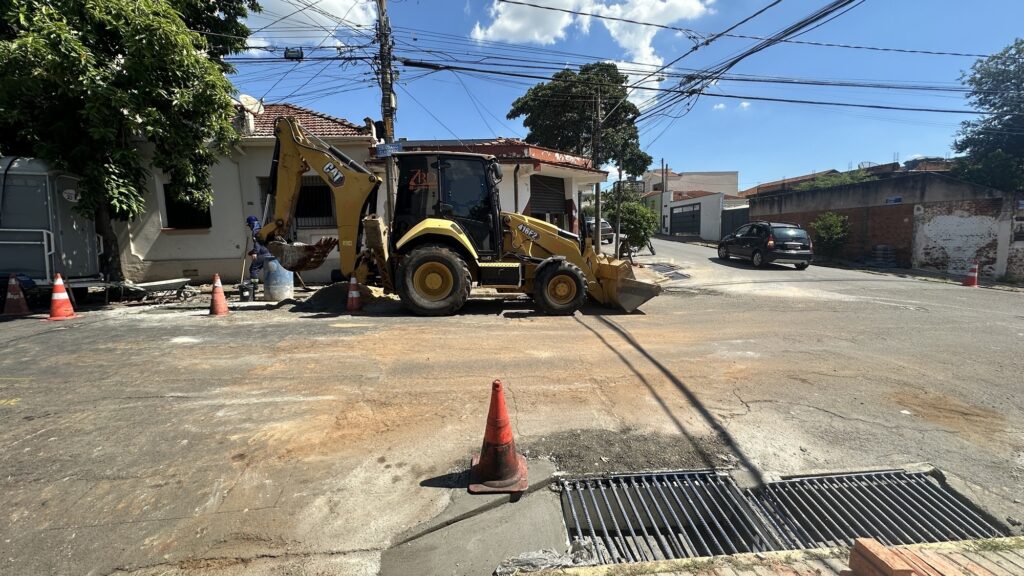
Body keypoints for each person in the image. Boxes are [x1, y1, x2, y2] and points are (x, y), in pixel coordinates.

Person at [245, 216, 272, 283]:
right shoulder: (262, 230)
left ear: (252, 224)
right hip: (268, 253)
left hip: (262, 254)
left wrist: (255, 252)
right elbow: (262, 243)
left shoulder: (255, 231)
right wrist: (252, 251)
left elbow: (257, 243)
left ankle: (254, 286)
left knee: (253, 269)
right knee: (269, 270)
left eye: (249, 225)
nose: (249, 227)